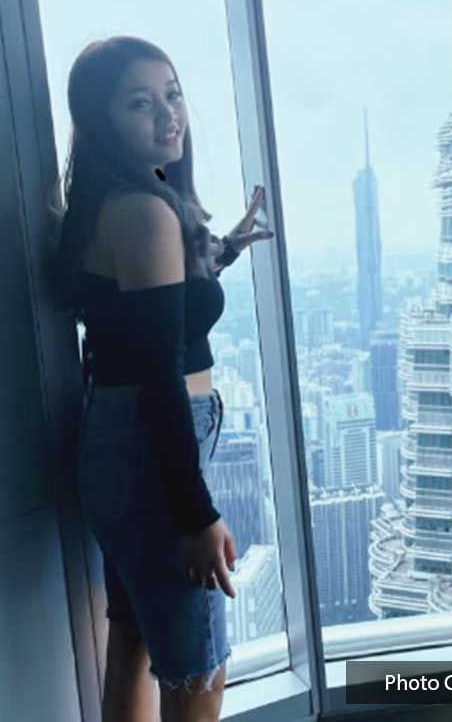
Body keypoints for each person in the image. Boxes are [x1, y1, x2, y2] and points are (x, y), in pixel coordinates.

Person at [47, 36, 273, 721]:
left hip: (119, 444)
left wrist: (225, 246)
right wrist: (196, 513)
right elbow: (158, 375)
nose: (168, 115)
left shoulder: (106, 199)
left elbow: (143, 314)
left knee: (135, 641)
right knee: (198, 672)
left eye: (172, 95)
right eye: (139, 103)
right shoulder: (145, 212)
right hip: (153, 451)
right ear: (100, 118)